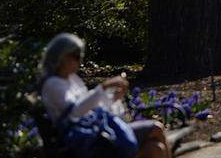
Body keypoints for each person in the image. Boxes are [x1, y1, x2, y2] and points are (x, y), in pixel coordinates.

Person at [40, 34, 172, 158]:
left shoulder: (73, 80)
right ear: (62, 57)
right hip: (88, 139)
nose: (79, 61)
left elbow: (93, 107)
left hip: (98, 131)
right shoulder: (53, 84)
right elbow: (75, 112)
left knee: (155, 148)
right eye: (75, 56)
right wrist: (104, 86)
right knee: (156, 130)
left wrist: (114, 98)